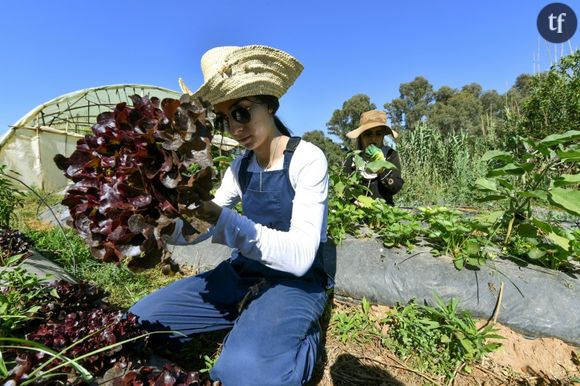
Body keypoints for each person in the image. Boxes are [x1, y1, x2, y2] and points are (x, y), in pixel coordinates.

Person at [129, 45, 330, 386]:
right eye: (225, 118)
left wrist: (220, 218)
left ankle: (300, 339)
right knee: (139, 323)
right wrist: (161, 221)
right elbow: (201, 227)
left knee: (244, 375)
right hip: (244, 272)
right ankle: (247, 316)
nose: (235, 128)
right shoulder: (240, 168)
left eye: (241, 112)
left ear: (270, 103)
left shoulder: (306, 158)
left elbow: (298, 259)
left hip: (295, 281)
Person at [343, 109, 404, 206]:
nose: (373, 138)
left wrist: (381, 168)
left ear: (383, 136)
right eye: (368, 134)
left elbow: (395, 188)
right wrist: (353, 200)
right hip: (357, 214)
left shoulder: (390, 155)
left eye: (378, 134)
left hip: (383, 212)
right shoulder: (353, 157)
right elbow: (343, 187)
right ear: (361, 136)